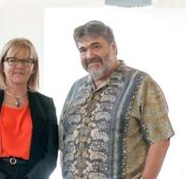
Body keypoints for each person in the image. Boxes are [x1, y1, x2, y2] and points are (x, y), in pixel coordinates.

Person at [59, 20, 174, 179]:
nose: (90, 55)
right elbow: (64, 143)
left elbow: (161, 139)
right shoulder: (76, 89)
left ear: (113, 47)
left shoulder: (141, 83)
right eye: (83, 50)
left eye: (96, 46)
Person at [0, 38, 58, 179]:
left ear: (33, 67)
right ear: (3, 65)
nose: (19, 66)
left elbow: (50, 156)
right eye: (13, 60)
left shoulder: (46, 104)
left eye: (27, 61)